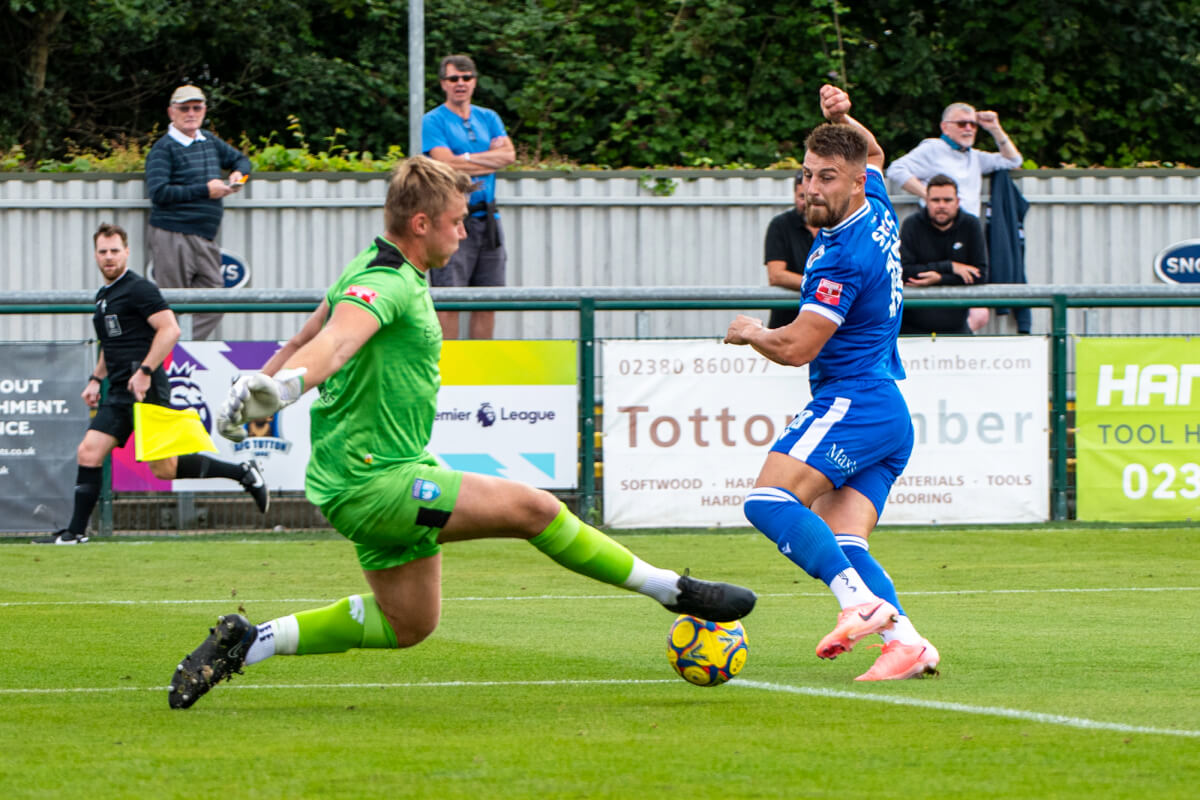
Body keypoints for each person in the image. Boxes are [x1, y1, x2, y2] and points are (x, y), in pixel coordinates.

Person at [166, 156, 755, 709]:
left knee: (410, 624)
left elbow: (304, 339)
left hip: (362, 478)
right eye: (455, 222)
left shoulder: (371, 265)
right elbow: (336, 342)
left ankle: (249, 641)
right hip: (377, 480)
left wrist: (260, 391)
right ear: (421, 224)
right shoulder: (388, 284)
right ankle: (671, 590)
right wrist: (287, 389)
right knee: (535, 509)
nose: (465, 234)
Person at [724, 85, 939, 682]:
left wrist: (750, 332)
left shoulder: (842, 256)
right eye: (806, 175)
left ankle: (858, 605)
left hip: (855, 400)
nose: (812, 188)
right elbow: (874, 153)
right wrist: (844, 120)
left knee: (767, 501)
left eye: (825, 178)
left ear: (850, 183)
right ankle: (909, 644)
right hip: (885, 406)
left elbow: (796, 348)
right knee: (845, 539)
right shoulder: (876, 208)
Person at [32, 223, 269, 545]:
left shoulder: (139, 288)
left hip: (146, 389)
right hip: (117, 391)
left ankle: (242, 472)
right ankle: (75, 533)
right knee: (88, 453)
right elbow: (113, 344)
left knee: (165, 469)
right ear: (95, 255)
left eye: (115, 250)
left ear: (127, 252)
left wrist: (144, 370)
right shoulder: (105, 295)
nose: (109, 257)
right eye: (103, 251)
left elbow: (170, 329)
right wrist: (95, 378)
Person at [886, 102, 1020, 332]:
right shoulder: (932, 149)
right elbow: (896, 170)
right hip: (932, 234)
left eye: (973, 125)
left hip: (965, 232)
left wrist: (995, 128)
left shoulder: (974, 157)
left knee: (979, 314)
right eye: (961, 124)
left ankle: (954, 342)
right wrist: (930, 197)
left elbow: (1013, 161)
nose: (968, 128)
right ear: (945, 127)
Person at [144, 84, 251, 341]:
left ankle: (180, 345)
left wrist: (239, 177)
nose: (191, 113)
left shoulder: (209, 141)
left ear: (204, 110)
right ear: (171, 112)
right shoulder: (163, 148)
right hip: (172, 234)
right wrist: (205, 190)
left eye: (197, 107)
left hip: (205, 237)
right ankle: (167, 354)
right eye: (184, 108)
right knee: (171, 304)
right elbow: (158, 192)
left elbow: (243, 161)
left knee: (217, 298)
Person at [421, 54, 515, 340]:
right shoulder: (433, 120)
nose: (460, 84)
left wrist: (466, 158)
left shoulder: (489, 117)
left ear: (474, 82)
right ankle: (448, 371)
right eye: (453, 79)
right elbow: (444, 163)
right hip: (450, 221)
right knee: (449, 302)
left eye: (466, 78)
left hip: (488, 220)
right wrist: (488, 158)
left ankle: (480, 374)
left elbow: (509, 156)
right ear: (443, 84)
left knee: (488, 302)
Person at [899, 174, 988, 335]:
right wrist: (950, 267)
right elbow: (903, 272)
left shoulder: (971, 224)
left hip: (957, 328)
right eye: (935, 200)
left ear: (957, 202)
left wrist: (940, 278)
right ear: (926, 201)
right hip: (911, 329)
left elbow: (980, 274)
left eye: (947, 200)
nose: (941, 205)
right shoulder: (911, 225)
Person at [763, 171, 818, 329]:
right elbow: (776, 275)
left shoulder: (836, 228)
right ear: (794, 195)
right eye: (802, 197)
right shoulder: (780, 225)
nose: (807, 203)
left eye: (811, 197)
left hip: (827, 325)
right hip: (787, 323)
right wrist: (821, 287)